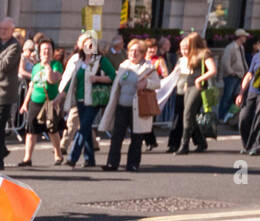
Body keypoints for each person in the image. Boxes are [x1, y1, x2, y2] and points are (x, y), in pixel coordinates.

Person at [99, 39, 159, 172]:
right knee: (117, 136)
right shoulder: (124, 66)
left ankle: (132, 164)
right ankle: (112, 163)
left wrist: (146, 83)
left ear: (142, 53)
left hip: (137, 107)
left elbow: (157, 83)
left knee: (136, 137)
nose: (133, 53)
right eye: (131, 50)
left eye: (137, 51)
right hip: (122, 105)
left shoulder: (148, 67)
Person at [59, 31, 112, 167]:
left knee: (82, 129)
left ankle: (73, 157)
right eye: (85, 44)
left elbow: (113, 76)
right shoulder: (80, 61)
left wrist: (98, 78)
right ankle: (90, 159)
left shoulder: (101, 60)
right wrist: (62, 95)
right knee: (86, 128)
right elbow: (72, 81)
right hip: (80, 99)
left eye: (91, 44)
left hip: (94, 100)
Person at [19, 38, 62, 166]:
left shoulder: (56, 65)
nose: (46, 52)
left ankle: (58, 154)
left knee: (52, 130)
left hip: (50, 102)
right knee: (31, 130)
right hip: (35, 101)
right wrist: (25, 103)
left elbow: (52, 80)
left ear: (53, 51)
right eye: (43, 50)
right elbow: (32, 85)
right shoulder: (36, 67)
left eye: (49, 50)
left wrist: (48, 67)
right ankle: (27, 158)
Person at [171, 32, 216, 155]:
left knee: (187, 113)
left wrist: (200, 79)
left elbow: (212, 70)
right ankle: (201, 141)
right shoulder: (192, 55)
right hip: (189, 84)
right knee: (190, 115)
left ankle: (184, 144)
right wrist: (186, 84)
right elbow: (189, 71)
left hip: (198, 86)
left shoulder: (204, 54)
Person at [0, 17, 22, 170]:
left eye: (5, 29)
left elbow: (3, 65)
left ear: (12, 30)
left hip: (4, 92)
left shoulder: (15, 46)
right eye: (1, 28)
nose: (2, 32)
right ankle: (1, 151)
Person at [219, 28, 251, 122]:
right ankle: (221, 116)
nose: (245, 38)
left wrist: (246, 71)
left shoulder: (241, 47)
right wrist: (231, 72)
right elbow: (225, 62)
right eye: (244, 36)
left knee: (235, 97)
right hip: (232, 76)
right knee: (227, 97)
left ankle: (229, 117)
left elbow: (243, 60)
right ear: (240, 37)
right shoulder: (230, 47)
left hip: (240, 76)